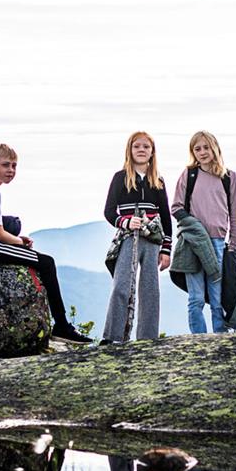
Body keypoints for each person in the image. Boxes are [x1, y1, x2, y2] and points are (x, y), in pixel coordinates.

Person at [0, 143, 94, 343]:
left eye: (13, 166)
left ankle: (61, 325)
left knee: (13, 222)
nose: (10, 170)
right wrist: (20, 242)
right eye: (5, 165)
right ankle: (62, 326)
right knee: (47, 263)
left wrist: (16, 238)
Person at [101, 132, 172, 344]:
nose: (141, 150)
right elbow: (108, 211)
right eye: (137, 146)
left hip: (152, 241)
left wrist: (166, 249)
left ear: (152, 152)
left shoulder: (157, 181)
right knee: (121, 285)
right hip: (127, 238)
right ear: (129, 151)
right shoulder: (120, 177)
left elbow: (166, 217)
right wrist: (125, 222)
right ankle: (112, 337)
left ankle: (147, 339)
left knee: (150, 289)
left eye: (146, 147)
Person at [169, 131, 236, 334]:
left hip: (218, 242)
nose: (202, 152)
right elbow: (176, 207)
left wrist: (233, 244)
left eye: (206, 147)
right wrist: (195, 226)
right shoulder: (189, 175)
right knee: (196, 298)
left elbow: (234, 212)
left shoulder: (228, 177)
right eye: (197, 149)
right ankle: (198, 341)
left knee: (217, 298)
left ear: (215, 148)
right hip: (192, 243)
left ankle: (220, 339)